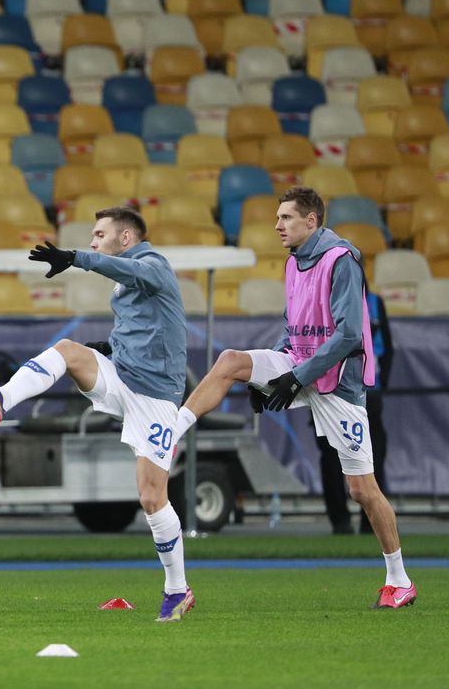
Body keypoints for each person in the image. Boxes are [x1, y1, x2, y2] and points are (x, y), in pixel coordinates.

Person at [169, 187, 415, 609]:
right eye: (278, 217)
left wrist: (295, 376)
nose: (277, 225)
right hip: (300, 364)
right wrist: (267, 379)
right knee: (230, 361)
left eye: (286, 218)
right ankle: (170, 431)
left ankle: (399, 578)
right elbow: (293, 327)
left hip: (338, 384)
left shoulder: (342, 260)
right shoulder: (293, 262)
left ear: (311, 221)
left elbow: (350, 335)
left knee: (362, 490)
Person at [0, 207, 195, 623]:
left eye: (98, 234)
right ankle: (0, 400)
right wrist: (107, 348)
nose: (92, 241)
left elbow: (123, 272)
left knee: (151, 497)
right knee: (68, 350)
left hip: (156, 398)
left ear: (125, 238)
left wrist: (75, 258)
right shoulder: (126, 284)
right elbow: (142, 330)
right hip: (124, 376)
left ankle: (177, 590)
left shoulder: (154, 265)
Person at [317, 270, 393, 535]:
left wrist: (377, 386)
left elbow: (389, 350)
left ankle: (369, 523)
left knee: (372, 457)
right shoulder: (324, 302)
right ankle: (339, 521)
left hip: (368, 394)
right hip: (329, 393)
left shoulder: (375, 302)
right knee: (330, 456)